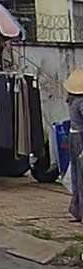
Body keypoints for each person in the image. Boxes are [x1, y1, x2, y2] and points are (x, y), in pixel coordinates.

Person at [67, 70, 83, 221]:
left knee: (76, 174)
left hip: (73, 136)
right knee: (80, 174)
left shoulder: (71, 101)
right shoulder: (80, 102)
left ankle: (77, 209)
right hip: (79, 137)